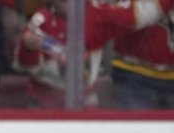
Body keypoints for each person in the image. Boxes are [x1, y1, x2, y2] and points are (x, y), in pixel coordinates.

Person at [13, 0, 173, 108]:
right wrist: (29, 49)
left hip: (85, 102)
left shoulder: (97, 14)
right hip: (43, 101)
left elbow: (138, 15)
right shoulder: (41, 20)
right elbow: (25, 65)